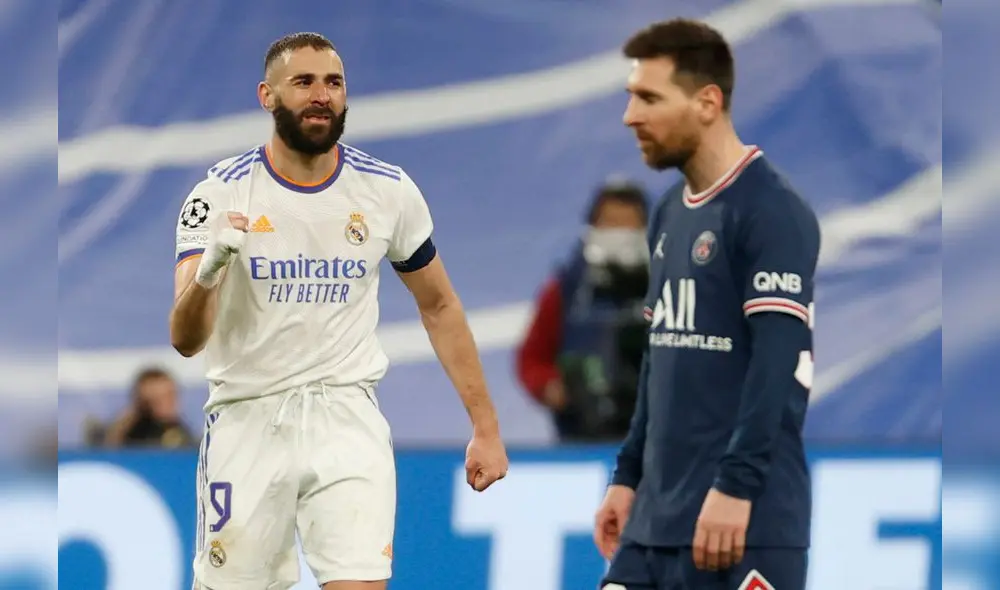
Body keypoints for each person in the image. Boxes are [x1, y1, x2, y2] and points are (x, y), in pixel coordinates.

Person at [169, 32, 509, 590]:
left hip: (346, 416)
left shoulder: (386, 190)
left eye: (333, 82)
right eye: (303, 82)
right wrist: (209, 273)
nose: (321, 95)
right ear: (267, 96)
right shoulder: (220, 195)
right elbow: (185, 338)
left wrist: (486, 425)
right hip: (248, 419)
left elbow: (440, 305)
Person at [593, 19, 820, 590]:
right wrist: (628, 476)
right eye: (629, 98)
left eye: (648, 98)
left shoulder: (772, 211)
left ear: (707, 102)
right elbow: (659, 358)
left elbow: (776, 366)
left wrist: (736, 487)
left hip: (741, 523)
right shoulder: (670, 211)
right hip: (652, 525)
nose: (630, 117)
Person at [516, 179, 649, 443]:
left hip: (656, 438)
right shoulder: (566, 288)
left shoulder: (671, 284)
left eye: (628, 223)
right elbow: (532, 358)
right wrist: (552, 387)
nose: (620, 233)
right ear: (594, 225)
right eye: (611, 223)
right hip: (584, 436)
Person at [100, 367, 196, 448]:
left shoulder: (181, 434)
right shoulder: (132, 433)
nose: (169, 402)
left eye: (171, 395)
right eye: (158, 398)